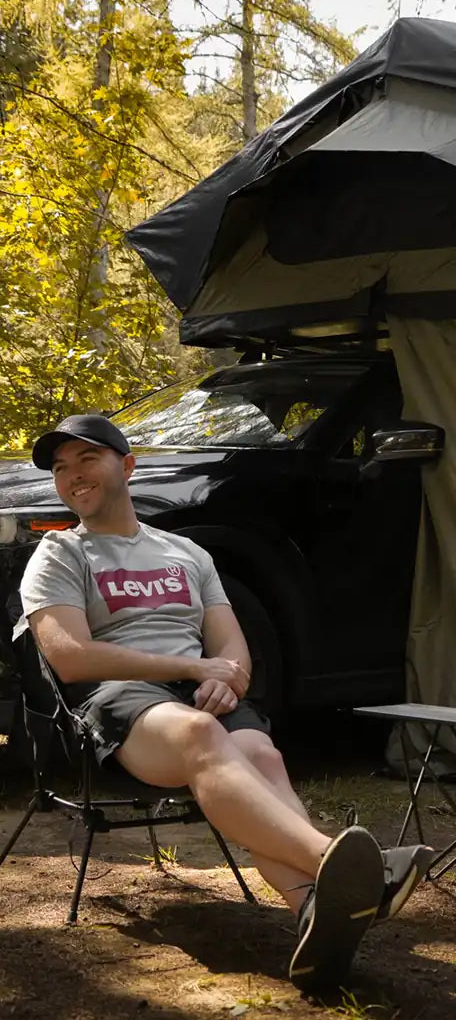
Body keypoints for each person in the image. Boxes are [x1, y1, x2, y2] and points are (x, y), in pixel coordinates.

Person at [15, 413, 432, 993]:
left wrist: (228, 678)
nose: (72, 475)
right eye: (61, 468)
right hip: (118, 700)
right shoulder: (60, 554)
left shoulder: (187, 553)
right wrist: (191, 668)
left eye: (87, 459)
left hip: (198, 690)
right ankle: (341, 864)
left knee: (264, 758)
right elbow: (72, 657)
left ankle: (314, 909)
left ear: (127, 466)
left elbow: (231, 643)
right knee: (198, 735)